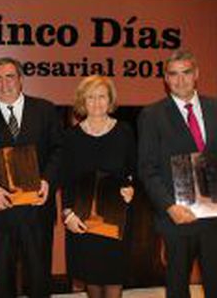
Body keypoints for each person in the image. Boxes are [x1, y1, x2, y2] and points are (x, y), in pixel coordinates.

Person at [0, 57, 62, 297]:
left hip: (37, 208)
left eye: (10, 76)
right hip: (1, 211)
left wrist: (48, 181)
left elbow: (59, 151)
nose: (4, 83)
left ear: (21, 79)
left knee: (39, 277)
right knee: (3, 278)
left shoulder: (45, 110)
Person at [138, 49, 217, 298]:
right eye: (173, 74)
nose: (180, 80)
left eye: (186, 73)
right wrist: (170, 207)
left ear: (196, 75)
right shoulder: (151, 115)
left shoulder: (215, 108)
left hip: (214, 217)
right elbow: (147, 169)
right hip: (177, 217)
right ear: (166, 79)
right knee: (178, 286)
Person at [61, 75, 135, 298]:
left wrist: (131, 188)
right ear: (82, 101)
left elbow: (134, 169)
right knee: (92, 281)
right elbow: (65, 180)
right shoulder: (70, 137)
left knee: (113, 281)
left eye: (102, 96)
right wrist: (67, 214)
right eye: (90, 97)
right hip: (82, 219)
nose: (96, 102)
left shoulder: (124, 131)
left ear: (110, 100)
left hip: (115, 218)